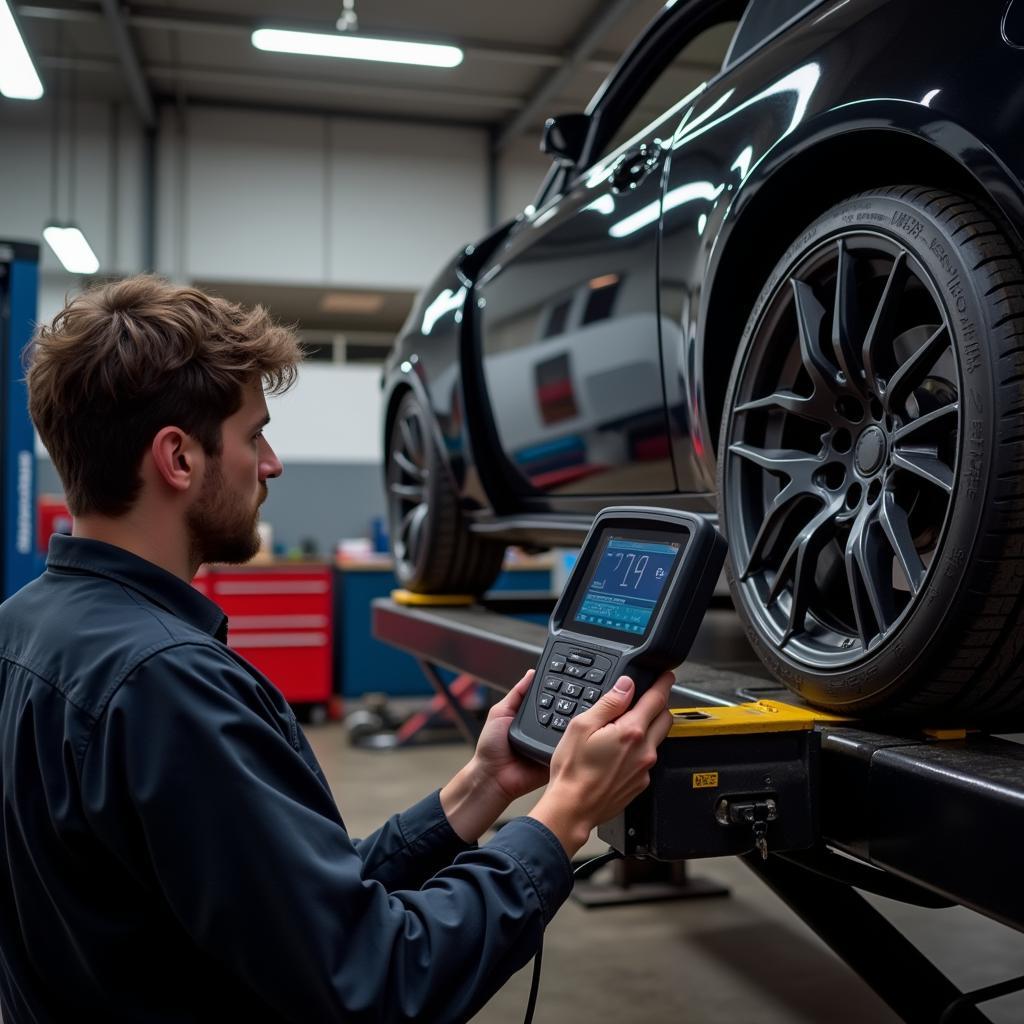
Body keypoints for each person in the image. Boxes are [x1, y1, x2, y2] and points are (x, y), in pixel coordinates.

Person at [0, 275, 675, 1022]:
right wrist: (562, 819)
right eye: (254, 434)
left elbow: (285, 908)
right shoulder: (166, 685)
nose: (272, 463)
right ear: (178, 459)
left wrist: (479, 789)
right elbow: (374, 982)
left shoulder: (22, 629)